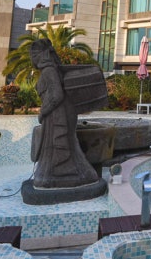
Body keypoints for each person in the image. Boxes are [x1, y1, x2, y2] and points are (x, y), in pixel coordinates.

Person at [30, 39, 99, 189]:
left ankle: (69, 175)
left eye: (35, 54)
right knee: (60, 146)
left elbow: (57, 95)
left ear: (43, 54)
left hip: (58, 114)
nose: (32, 58)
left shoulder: (49, 71)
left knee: (61, 144)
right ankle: (60, 174)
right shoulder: (50, 70)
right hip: (56, 113)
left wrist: (42, 112)